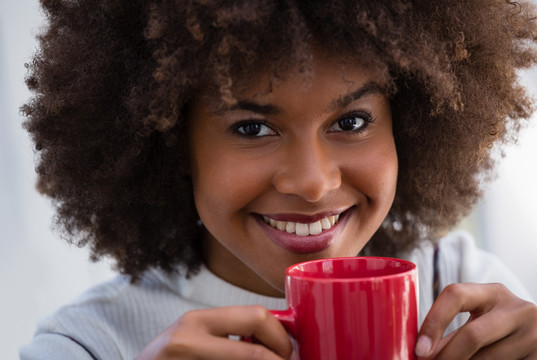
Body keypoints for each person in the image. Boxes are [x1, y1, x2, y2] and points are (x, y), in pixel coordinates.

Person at [19, 0, 537, 359]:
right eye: (252, 128)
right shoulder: (89, 343)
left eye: (351, 122)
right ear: (173, 144)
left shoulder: (458, 291)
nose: (313, 182)